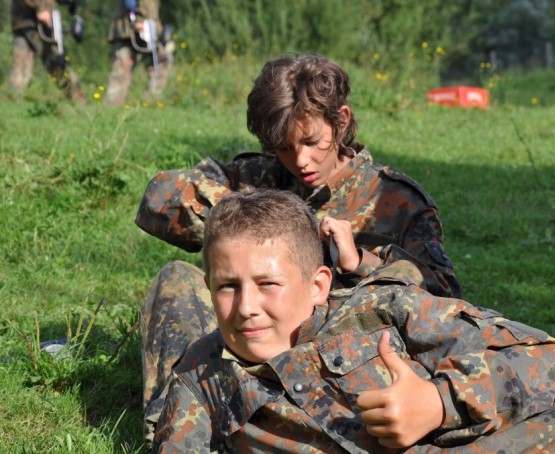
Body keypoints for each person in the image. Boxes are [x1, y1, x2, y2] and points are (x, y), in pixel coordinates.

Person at [141, 189, 555, 452]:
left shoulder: (382, 312)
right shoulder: (201, 375)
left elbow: (544, 358)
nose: (246, 306)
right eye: (227, 287)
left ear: (318, 285)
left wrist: (437, 404)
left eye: (268, 284)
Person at [135, 52, 461, 298]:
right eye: (284, 148)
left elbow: (444, 296)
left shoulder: (397, 200)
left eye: (312, 142)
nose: (301, 161)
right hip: (253, 331)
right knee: (177, 280)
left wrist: (358, 263)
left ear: (341, 121)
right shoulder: (261, 177)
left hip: (342, 348)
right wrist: (256, 220)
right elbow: (159, 198)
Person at [8, 0, 85, 102]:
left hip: (24, 21)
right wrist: (43, 8)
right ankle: (78, 100)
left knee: (23, 68)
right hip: (34, 22)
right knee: (56, 63)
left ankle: (12, 102)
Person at [104, 0, 174, 106]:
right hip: (132, 26)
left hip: (147, 26)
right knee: (123, 66)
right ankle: (112, 107)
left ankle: (151, 103)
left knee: (162, 59)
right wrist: (136, 20)